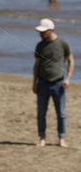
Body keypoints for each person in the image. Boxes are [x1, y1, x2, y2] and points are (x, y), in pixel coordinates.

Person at [33, 18, 74, 147]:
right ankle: (42, 138)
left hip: (58, 83)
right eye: (40, 32)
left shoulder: (63, 43)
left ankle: (61, 138)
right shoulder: (40, 45)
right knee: (41, 113)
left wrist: (68, 79)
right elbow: (37, 65)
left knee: (61, 113)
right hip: (43, 83)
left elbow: (71, 61)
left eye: (43, 31)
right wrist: (35, 82)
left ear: (51, 30)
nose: (40, 34)